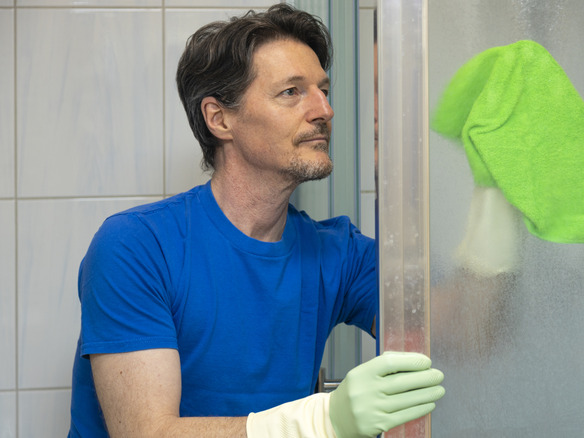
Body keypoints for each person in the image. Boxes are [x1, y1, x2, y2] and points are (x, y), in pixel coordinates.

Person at [68, 4, 444, 437]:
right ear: (220, 118)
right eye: (292, 92)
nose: (324, 109)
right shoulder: (136, 247)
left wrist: (491, 201)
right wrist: (320, 421)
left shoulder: (337, 252)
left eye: (323, 90)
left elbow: (458, 326)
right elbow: (146, 433)